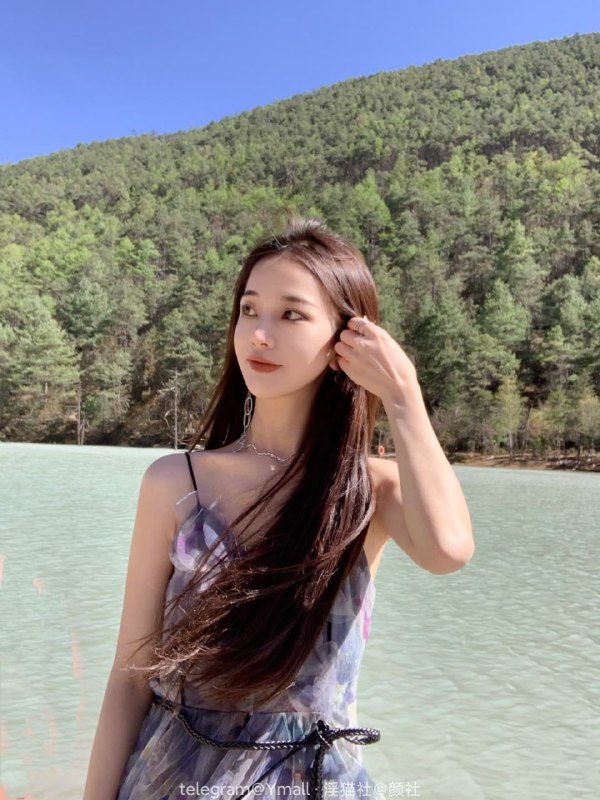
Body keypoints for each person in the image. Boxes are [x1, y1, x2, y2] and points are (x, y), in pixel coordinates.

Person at [83, 215, 474, 799]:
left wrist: (402, 394)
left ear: (347, 337)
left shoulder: (369, 490)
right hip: (171, 780)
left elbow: (448, 550)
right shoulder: (176, 481)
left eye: (291, 314)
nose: (259, 335)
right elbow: (130, 678)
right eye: (249, 310)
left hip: (312, 782)